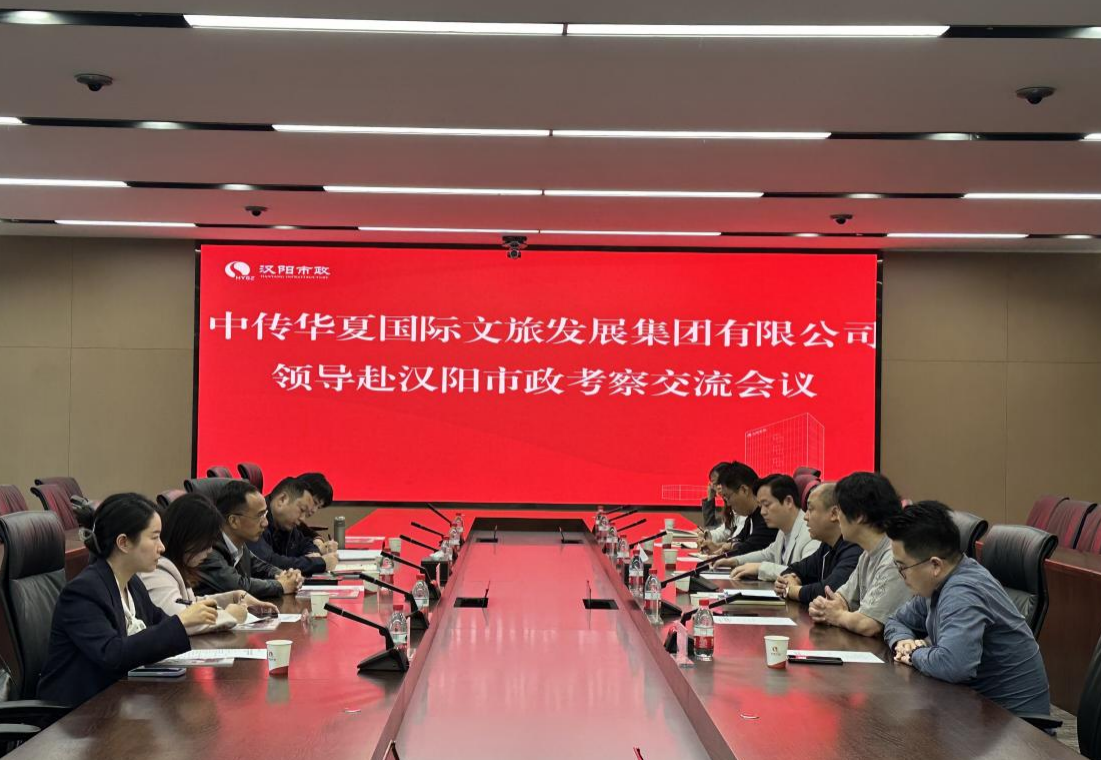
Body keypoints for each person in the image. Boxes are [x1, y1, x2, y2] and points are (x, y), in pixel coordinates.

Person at [37, 493, 218, 706]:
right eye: (154, 537)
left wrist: (191, 623)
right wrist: (182, 621)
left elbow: (160, 624)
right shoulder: (83, 592)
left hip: (120, 700)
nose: (162, 547)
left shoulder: (133, 584)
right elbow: (112, 654)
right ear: (123, 542)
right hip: (76, 713)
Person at [883, 501, 1051, 717]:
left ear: (935, 565)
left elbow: (953, 665)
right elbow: (896, 620)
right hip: (975, 710)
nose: (902, 576)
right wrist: (903, 641)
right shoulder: (939, 582)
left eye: (902, 567)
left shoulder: (963, 592)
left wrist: (914, 653)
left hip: (1014, 724)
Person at [141, 493, 279, 633]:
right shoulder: (157, 572)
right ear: (187, 536)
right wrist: (230, 616)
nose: (209, 551)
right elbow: (180, 621)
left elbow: (192, 604)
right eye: (206, 543)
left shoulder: (174, 568)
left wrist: (234, 597)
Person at [808, 472, 911, 637]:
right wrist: (825, 607)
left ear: (859, 516)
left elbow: (869, 625)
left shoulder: (895, 556)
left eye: (840, 510)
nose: (837, 518)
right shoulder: (867, 553)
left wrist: (836, 615)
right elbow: (840, 599)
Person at [195, 480, 303, 599]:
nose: (265, 523)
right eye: (259, 516)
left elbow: (262, 568)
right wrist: (281, 585)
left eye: (265, 514)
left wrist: (286, 575)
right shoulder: (207, 548)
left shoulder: (239, 544)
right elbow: (237, 585)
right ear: (234, 521)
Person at [715, 474, 820, 581]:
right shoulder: (783, 529)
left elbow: (804, 573)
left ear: (788, 501)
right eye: (760, 506)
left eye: (767, 505)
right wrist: (735, 561)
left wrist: (760, 568)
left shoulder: (811, 533)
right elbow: (768, 554)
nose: (762, 512)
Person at [772, 482, 862, 604]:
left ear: (834, 514)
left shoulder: (855, 548)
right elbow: (795, 569)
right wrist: (787, 581)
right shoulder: (827, 546)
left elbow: (828, 591)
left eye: (810, 509)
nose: (805, 517)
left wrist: (791, 590)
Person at [249, 476, 337, 575]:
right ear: (282, 500)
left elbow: (304, 543)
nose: (303, 518)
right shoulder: (255, 519)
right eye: (302, 510)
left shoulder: (284, 523)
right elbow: (269, 562)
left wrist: (314, 553)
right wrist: (319, 563)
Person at [703, 461, 777, 558]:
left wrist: (731, 548)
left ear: (744, 490)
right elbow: (738, 540)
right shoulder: (750, 518)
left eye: (728, 497)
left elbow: (748, 549)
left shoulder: (766, 518)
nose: (728, 503)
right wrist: (718, 547)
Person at [298, 471, 338, 554]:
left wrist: (318, 540)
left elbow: (305, 531)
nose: (314, 510)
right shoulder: (276, 519)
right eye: (315, 502)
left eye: (318, 507)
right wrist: (318, 550)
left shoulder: (296, 522)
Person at [699, 461, 730, 529]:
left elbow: (727, 531)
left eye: (716, 483)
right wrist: (710, 498)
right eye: (713, 484)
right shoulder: (727, 507)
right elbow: (710, 525)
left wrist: (708, 531)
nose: (714, 487)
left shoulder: (737, 506)